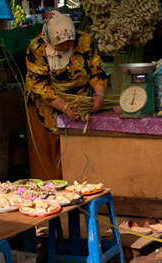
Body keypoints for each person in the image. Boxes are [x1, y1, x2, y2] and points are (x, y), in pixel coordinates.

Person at [25, 10, 108, 179]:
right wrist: (64, 107)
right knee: (49, 154)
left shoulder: (84, 41)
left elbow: (96, 69)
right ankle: (50, 195)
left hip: (79, 101)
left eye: (70, 41)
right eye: (61, 43)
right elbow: (39, 85)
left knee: (77, 152)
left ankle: (78, 188)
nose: (66, 46)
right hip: (46, 104)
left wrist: (99, 96)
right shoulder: (37, 48)